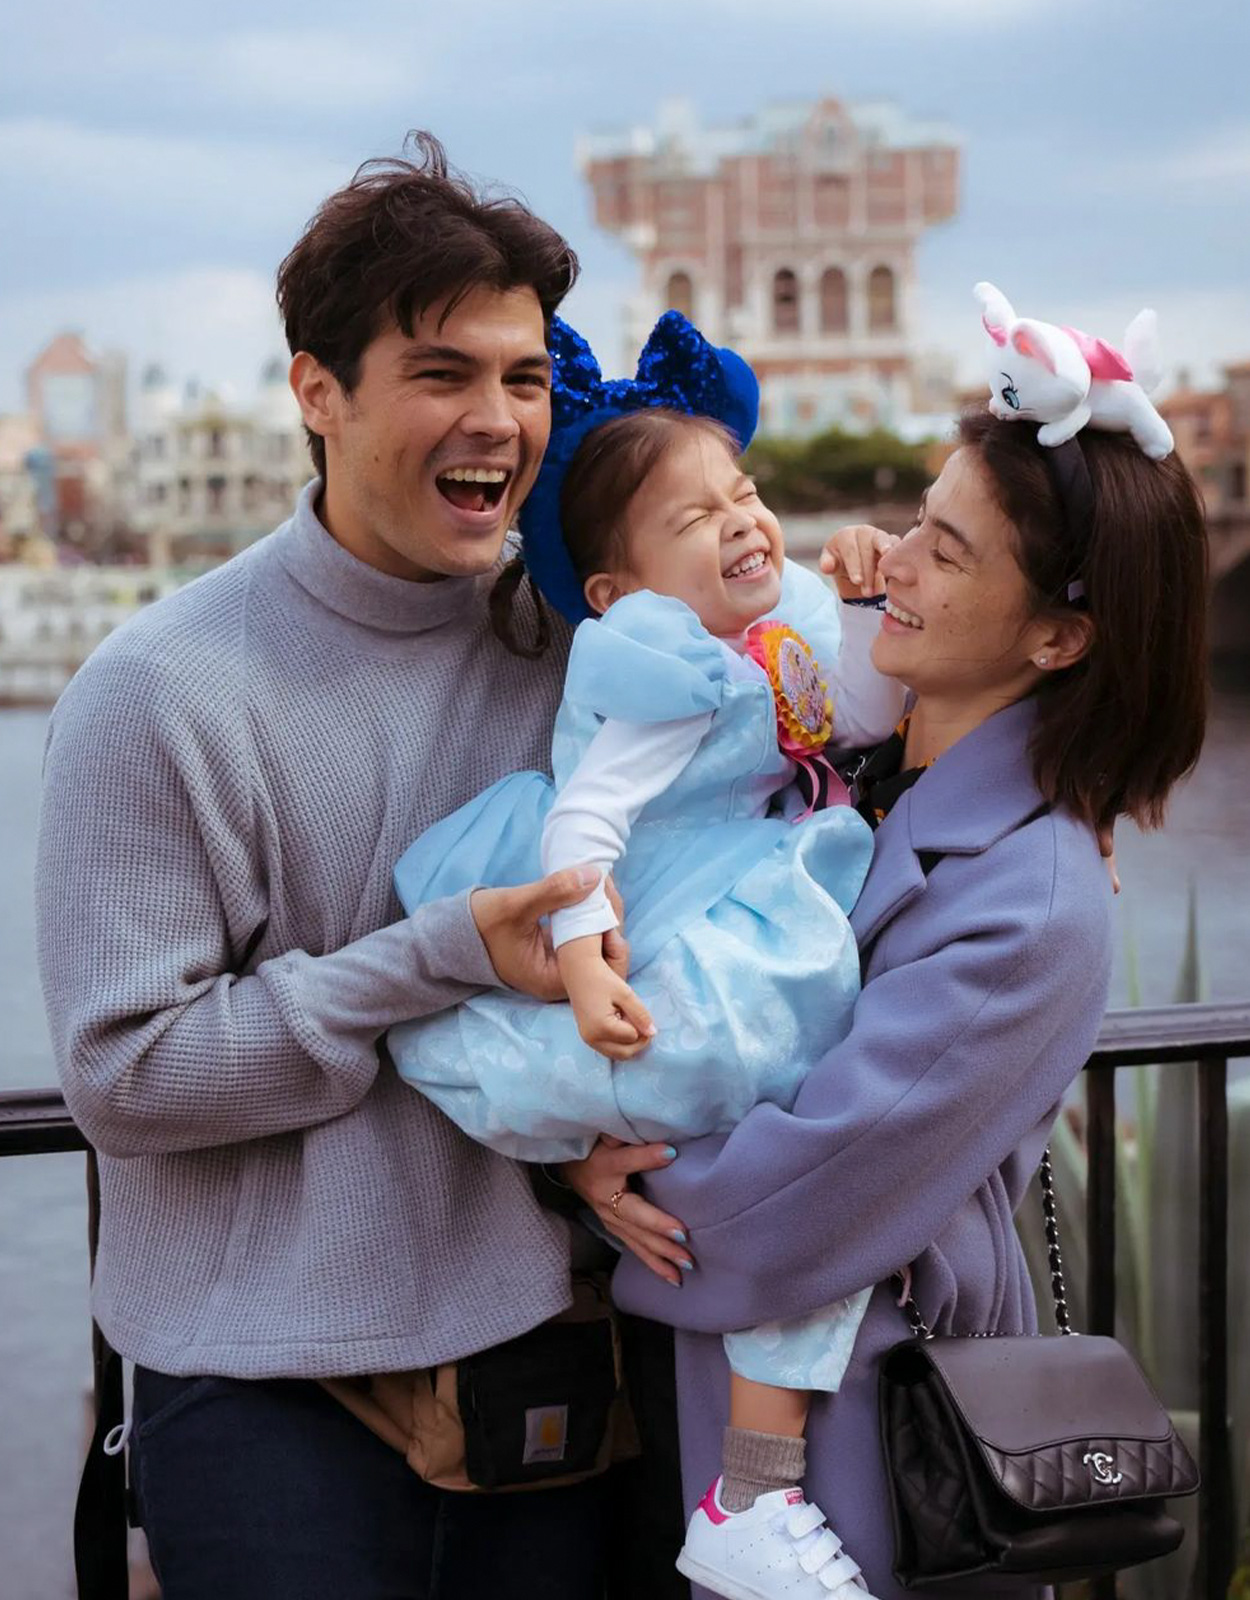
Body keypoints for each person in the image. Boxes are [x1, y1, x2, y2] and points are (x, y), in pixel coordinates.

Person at [35, 132, 662, 1600]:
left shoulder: (584, 655)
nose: (498, 420)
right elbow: (125, 1075)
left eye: (524, 379)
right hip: (262, 1398)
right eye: (442, 373)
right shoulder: (158, 690)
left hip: (556, 1363)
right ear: (317, 392)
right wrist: (441, 953)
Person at [564, 329, 1210, 1599]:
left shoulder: (1030, 895)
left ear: (1057, 641)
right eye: (916, 521)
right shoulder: (868, 769)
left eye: (944, 552)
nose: (888, 561)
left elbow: (816, 1178)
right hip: (777, 1376)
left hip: (875, 1415)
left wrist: (605, 1178)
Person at [386, 311, 907, 1598]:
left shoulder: (773, 620)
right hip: (677, 903)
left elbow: (869, 716)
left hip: (758, 878)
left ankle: (750, 1484)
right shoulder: (655, 660)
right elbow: (585, 817)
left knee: (802, 1141)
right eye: (696, 519)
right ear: (617, 590)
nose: (740, 523)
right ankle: (751, 1488)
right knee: (780, 1107)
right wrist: (578, 954)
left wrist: (857, 594)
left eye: (742, 494)